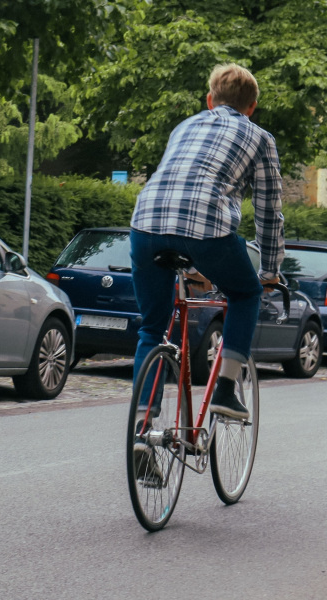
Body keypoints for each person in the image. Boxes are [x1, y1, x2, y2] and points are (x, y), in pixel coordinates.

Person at [129, 63, 284, 434]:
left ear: (209, 100)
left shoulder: (184, 126)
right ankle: (226, 390)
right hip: (207, 229)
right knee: (245, 294)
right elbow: (268, 212)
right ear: (252, 106)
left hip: (145, 224)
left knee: (152, 328)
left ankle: (141, 424)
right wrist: (270, 271)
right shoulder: (260, 138)